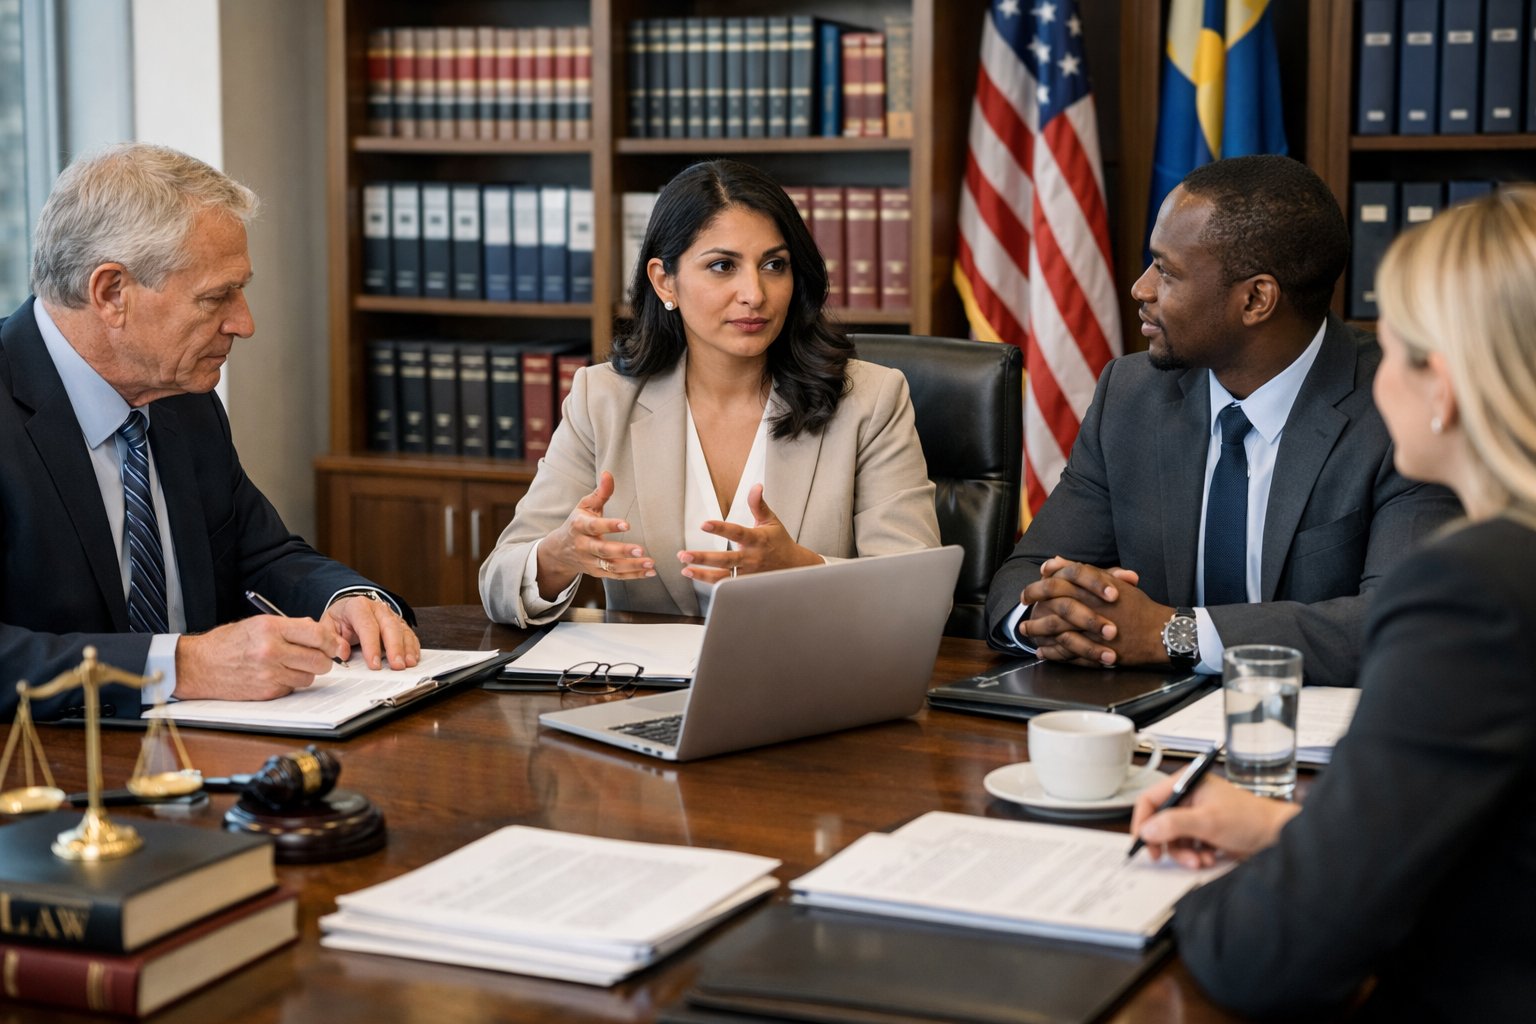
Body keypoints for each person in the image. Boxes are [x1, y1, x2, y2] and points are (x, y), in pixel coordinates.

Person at [1129, 187, 1536, 1020]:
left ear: (1444, 389)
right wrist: (1296, 835)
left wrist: (1181, 905)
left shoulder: (1473, 593)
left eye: (1387, 349)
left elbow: (1274, 953)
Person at [983, 155, 1460, 686]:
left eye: (1165, 271)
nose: (1140, 289)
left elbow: (1397, 622)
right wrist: (1050, 622)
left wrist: (1173, 633)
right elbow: (1023, 577)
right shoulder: (1131, 393)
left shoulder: (1401, 407)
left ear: (1256, 299)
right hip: (1143, 730)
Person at [0, 143, 419, 722]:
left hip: (202, 759)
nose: (243, 324)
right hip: (49, 778)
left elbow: (262, 553)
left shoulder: (180, 398)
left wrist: (346, 599)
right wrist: (183, 666)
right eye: (217, 296)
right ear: (111, 293)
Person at [479, 159, 939, 624]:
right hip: (651, 689)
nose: (754, 293)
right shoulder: (601, 400)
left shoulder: (871, 400)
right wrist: (557, 555)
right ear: (664, 281)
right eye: (723, 266)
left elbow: (918, 594)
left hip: (812, 683)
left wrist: (803, 567)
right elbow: (498, 583)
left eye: (774, 265)